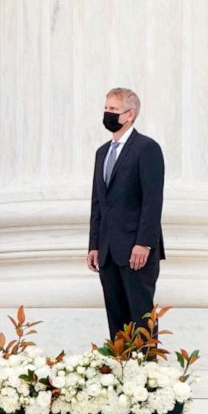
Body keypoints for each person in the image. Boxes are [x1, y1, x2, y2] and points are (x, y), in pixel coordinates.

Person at [87, 87, 165, 340]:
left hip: (136, 251)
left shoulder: (147, 148)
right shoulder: (102, 153)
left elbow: (152, 201)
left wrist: (144, 243)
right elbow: (99, 203)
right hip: (108, 252)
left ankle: (146, 375)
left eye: (113, 109)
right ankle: (121, 372)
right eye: (106, 108)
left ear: (129, 114)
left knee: (140, 319)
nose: (107, 114)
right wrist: (94, 245)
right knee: (116, 320)